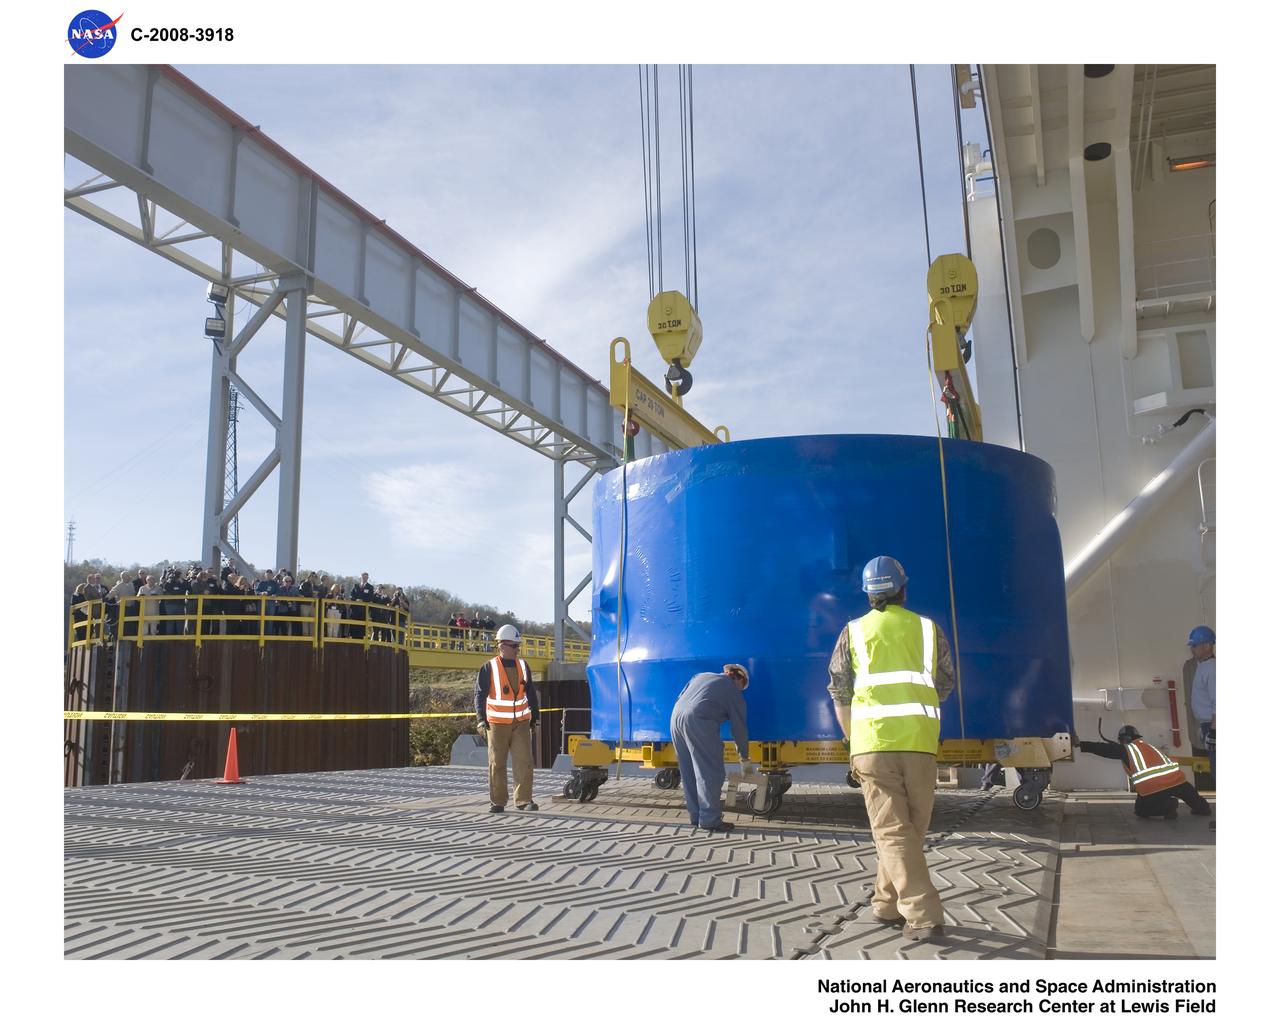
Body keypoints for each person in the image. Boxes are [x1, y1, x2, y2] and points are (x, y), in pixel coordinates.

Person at [827, 555, 955, 944]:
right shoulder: (929, 630)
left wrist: (852, 743)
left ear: (868, 595)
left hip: (872, 743)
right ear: (903, 589)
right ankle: (899, 906)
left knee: (895, 832)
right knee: (908, 830)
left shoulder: (853, 632)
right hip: (919, 741)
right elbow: (945, 683)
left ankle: (908, 908)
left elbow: (839, 691)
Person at [670, 663, 753, 834]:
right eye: (742, 687)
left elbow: (680, 697)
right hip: (699, 720)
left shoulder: (701, 675)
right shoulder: (733, 692)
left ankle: (696, 816)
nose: (741, 690)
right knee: (710, 772)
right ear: (739, 679)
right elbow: (739, 729)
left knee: (689, 771)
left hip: (675, 718)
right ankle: (710, 820)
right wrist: (744, 758)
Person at [1077, 725, 1212, 820]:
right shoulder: (1147, 746)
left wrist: (1081, 744)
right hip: (1177, 781)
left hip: (1154, 787)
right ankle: (1203, 808)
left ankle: (1168, 806)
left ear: (1122, 740)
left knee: (1141, 810)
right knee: (1191, 795)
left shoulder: (1127, 749)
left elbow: (1103, 749)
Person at [474, 624, 541, 812]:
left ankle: (524, 800)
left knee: (524, 761)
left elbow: (530, 693)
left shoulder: (523, 666)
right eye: (515, 646)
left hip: (520, 722)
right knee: (497, 762)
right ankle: (497, 802)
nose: (517, 650)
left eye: (518, 646)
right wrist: (481, 719)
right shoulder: (489, 667)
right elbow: (479, 695)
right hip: (496, 724)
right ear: (502, 645)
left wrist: (535, 716)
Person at [1187, 625, 1216, 783]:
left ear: (1207, 645)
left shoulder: (1212, 668)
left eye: (1195, 645)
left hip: (1213, 726)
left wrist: (1214, 731)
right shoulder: (1203, 666)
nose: (1192, 649)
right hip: (1207, 724)